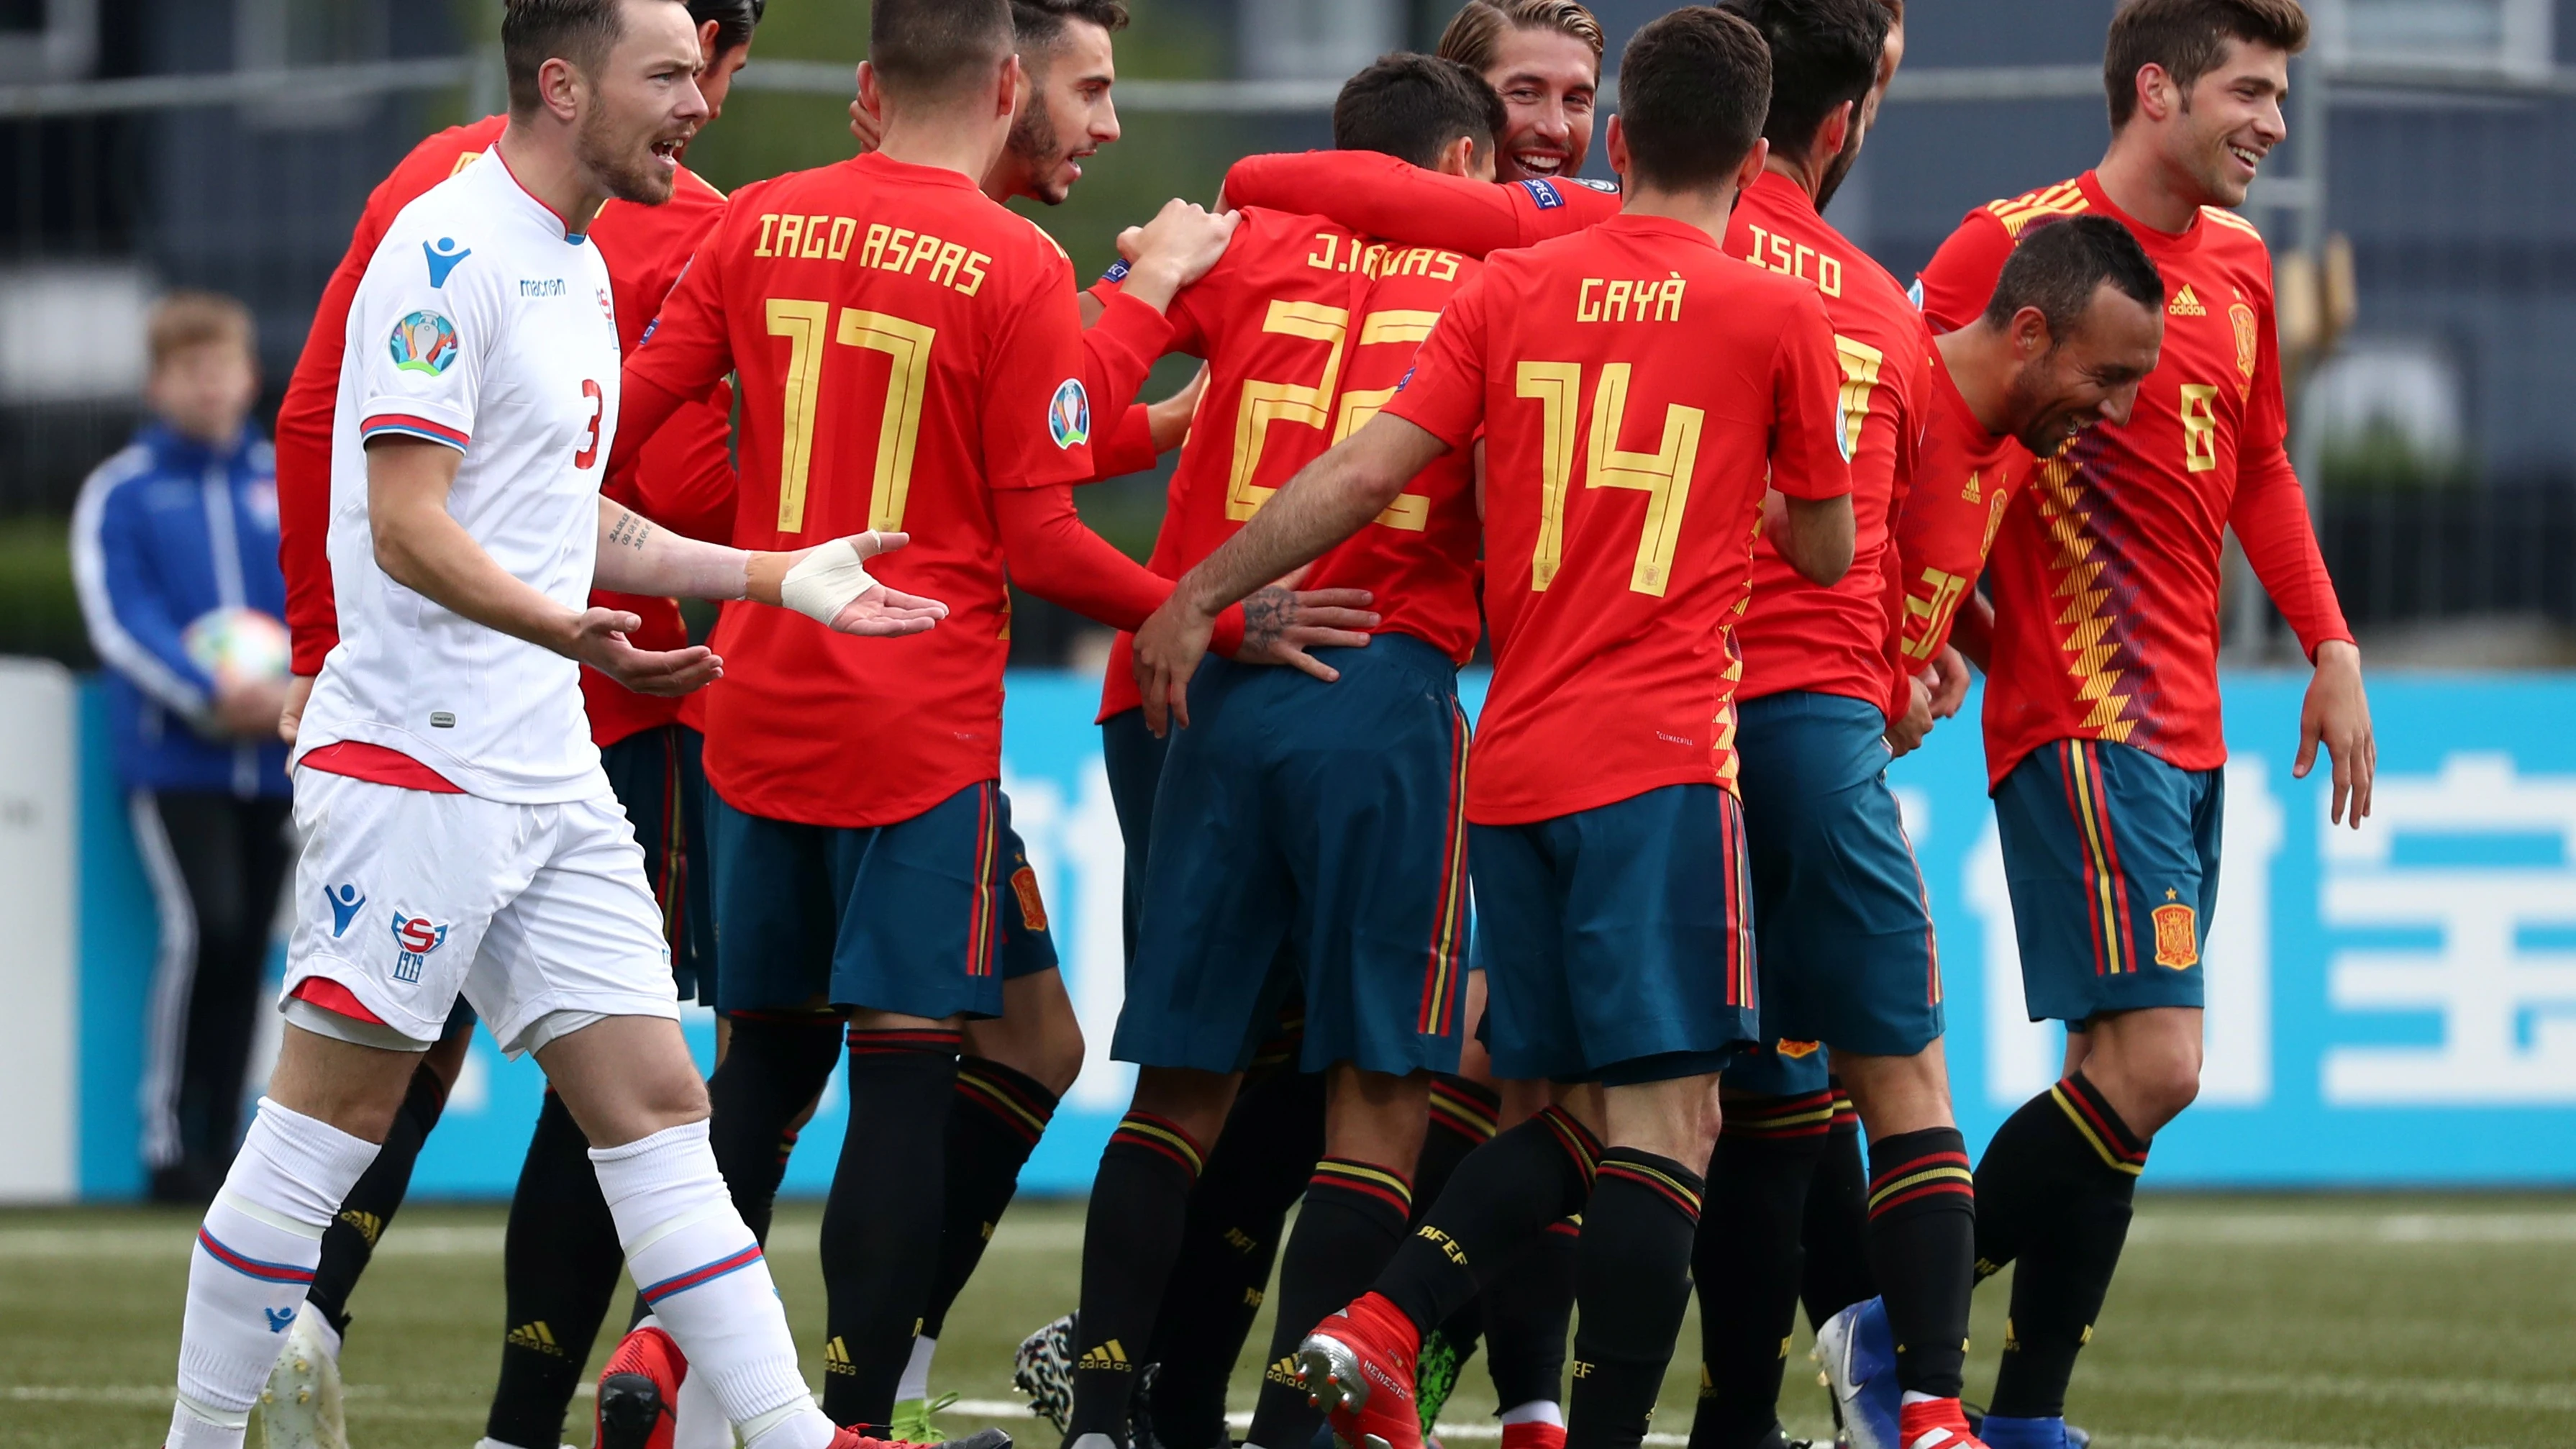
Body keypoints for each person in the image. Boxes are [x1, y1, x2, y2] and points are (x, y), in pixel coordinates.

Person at [155, 3, 956, 1448]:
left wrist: (778, 575)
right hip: (418, 763)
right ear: (561, 82)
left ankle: (783, 1433)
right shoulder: (443, 251)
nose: (696, 103)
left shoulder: (578, 264)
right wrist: (559, 630)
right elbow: (406, 529)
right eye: (666, 76)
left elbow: (564, 518)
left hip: (543, 768)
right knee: (318, 1133)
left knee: (656, 1105)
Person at [606, 0, 1370, 1435]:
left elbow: (640, 430)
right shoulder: (1013, 261)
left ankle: (657, 1358)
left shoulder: (759, 216)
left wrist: (771, 537)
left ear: (867, 84)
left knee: (767, 1062)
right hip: (911, 738)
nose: (1103, 119)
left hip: (754, 711)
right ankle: (849, 1417)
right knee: (901, 1081)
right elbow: (1035, 532)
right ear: (1009, 83)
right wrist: (1193, 602)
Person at [1129, 14, 1854, 1449]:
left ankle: (1384, 1320)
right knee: (1667, 1132)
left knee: (1559, 1104)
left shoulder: (1506, 290)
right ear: (1758, 159)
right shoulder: (1776, 313)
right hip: (1657, 766)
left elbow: (1362, 469)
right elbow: (1826, 549)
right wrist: (1760, 496)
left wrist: (1200, 588)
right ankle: (1459, 1364)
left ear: (1625, 142)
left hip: (1510, 769)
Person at [1813, 6, 2374, 1449]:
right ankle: (1883, 1322)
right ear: (2153, 89)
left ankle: (2023, 1412)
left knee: (2105, 1088)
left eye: (2277, 95)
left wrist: (2324, 641)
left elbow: (2254, 466)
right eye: (2246, 92)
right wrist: (1915, 628)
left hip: (2186, 726)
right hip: (2078, 710)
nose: (2269, 123)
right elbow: (1911, 432)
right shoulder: (2003, 245)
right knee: (2156, 1067)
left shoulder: (2241, 267)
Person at [258, 6, 778, 1448]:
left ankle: (307, 1309)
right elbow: (650, 477)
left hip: (492, 702)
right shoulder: (653, 224)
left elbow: (318, 418)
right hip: (585, 702)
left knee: (453, 1058)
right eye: (687, 71)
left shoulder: (459, 186)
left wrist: (319, 639)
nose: (704, 105)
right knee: (596, 1074)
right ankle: (513, 1416)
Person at [1048, 55, 1503, 1449]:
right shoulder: (1513, 279)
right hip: (1380, 683)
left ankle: (1103, 1412)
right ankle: (1293, 1433)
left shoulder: (1246, 252)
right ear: (1473, 170)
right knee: (1377, 1089)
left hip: (1221, 681)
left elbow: (1061, 410)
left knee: (1181, 1084)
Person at [70, 290, 292, 1207]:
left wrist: (288, 692)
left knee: (254, 948)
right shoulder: (123, 489)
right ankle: (167, 1140)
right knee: (203, 927)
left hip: (274, 758)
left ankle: (224, 1134)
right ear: (159, 383)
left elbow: (321, 595)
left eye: (226, 368)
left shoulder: (284, 477)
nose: (212, 387)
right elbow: (122, 619)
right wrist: (211, 692)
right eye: (191, 371)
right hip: (177, 762)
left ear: (248, 376)